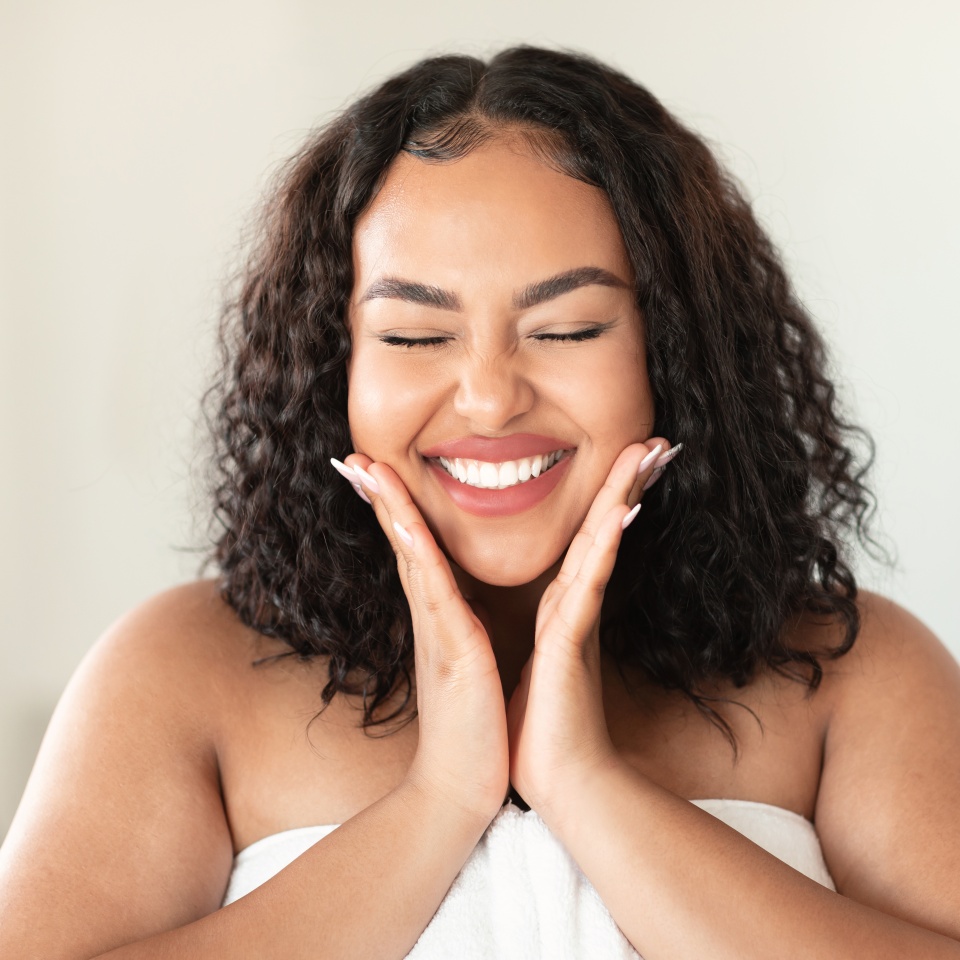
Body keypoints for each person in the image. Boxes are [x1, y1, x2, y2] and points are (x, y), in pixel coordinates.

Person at [1, 45, 959, 960]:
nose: (491, 399)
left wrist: (586, 787)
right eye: (416, 337)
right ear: (332, 366)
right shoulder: (182, 671)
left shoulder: (852, 673)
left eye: (567, 329)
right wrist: (439, 803)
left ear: (677, 356)